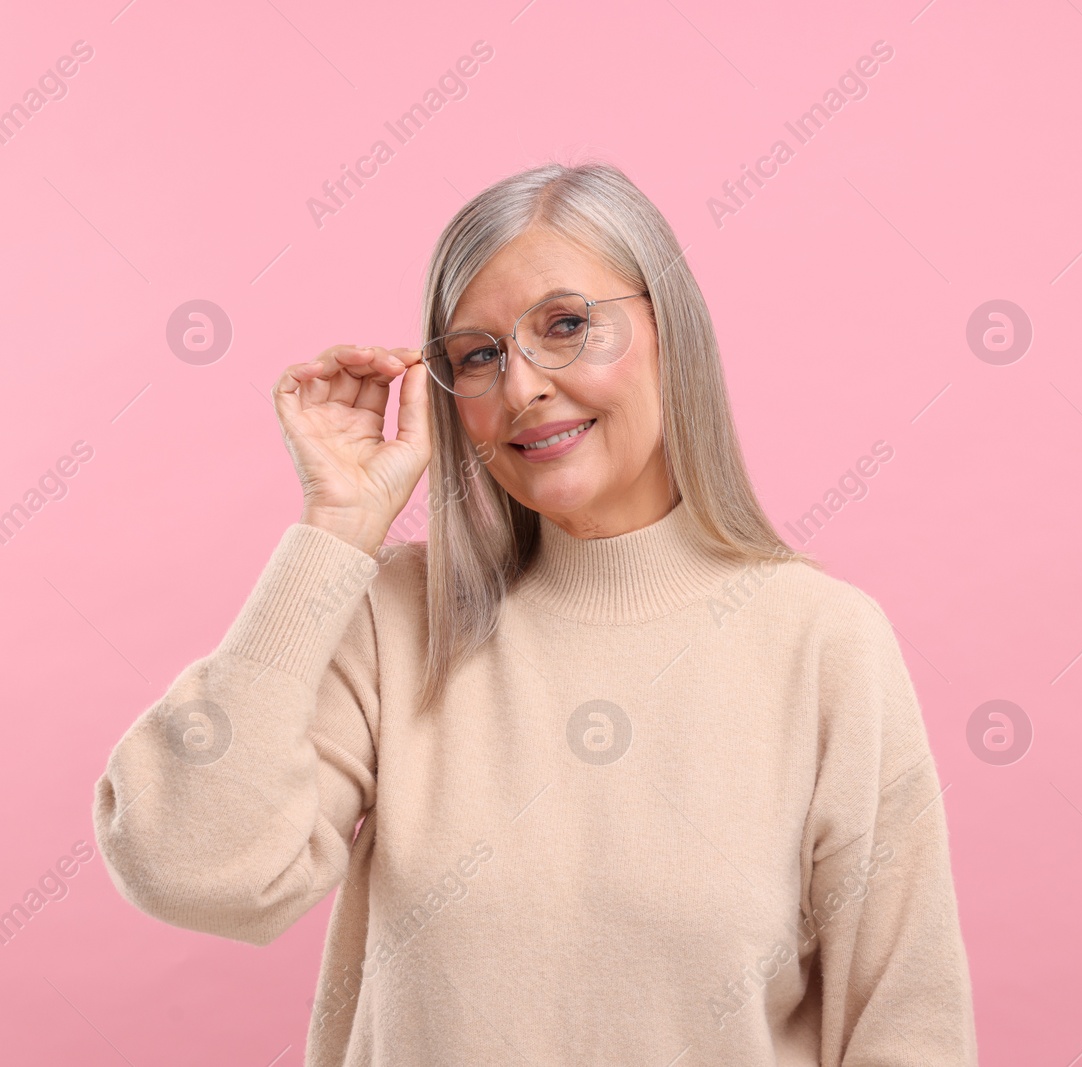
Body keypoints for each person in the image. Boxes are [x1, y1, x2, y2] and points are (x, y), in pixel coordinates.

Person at [91, 161, 979, 1065]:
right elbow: (191, 868)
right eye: (479, 356)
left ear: (672, 329)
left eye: (566, 326)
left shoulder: (823, 644)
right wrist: (334, 532)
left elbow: (905, 1028)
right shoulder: (399, 620)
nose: (521, 389)